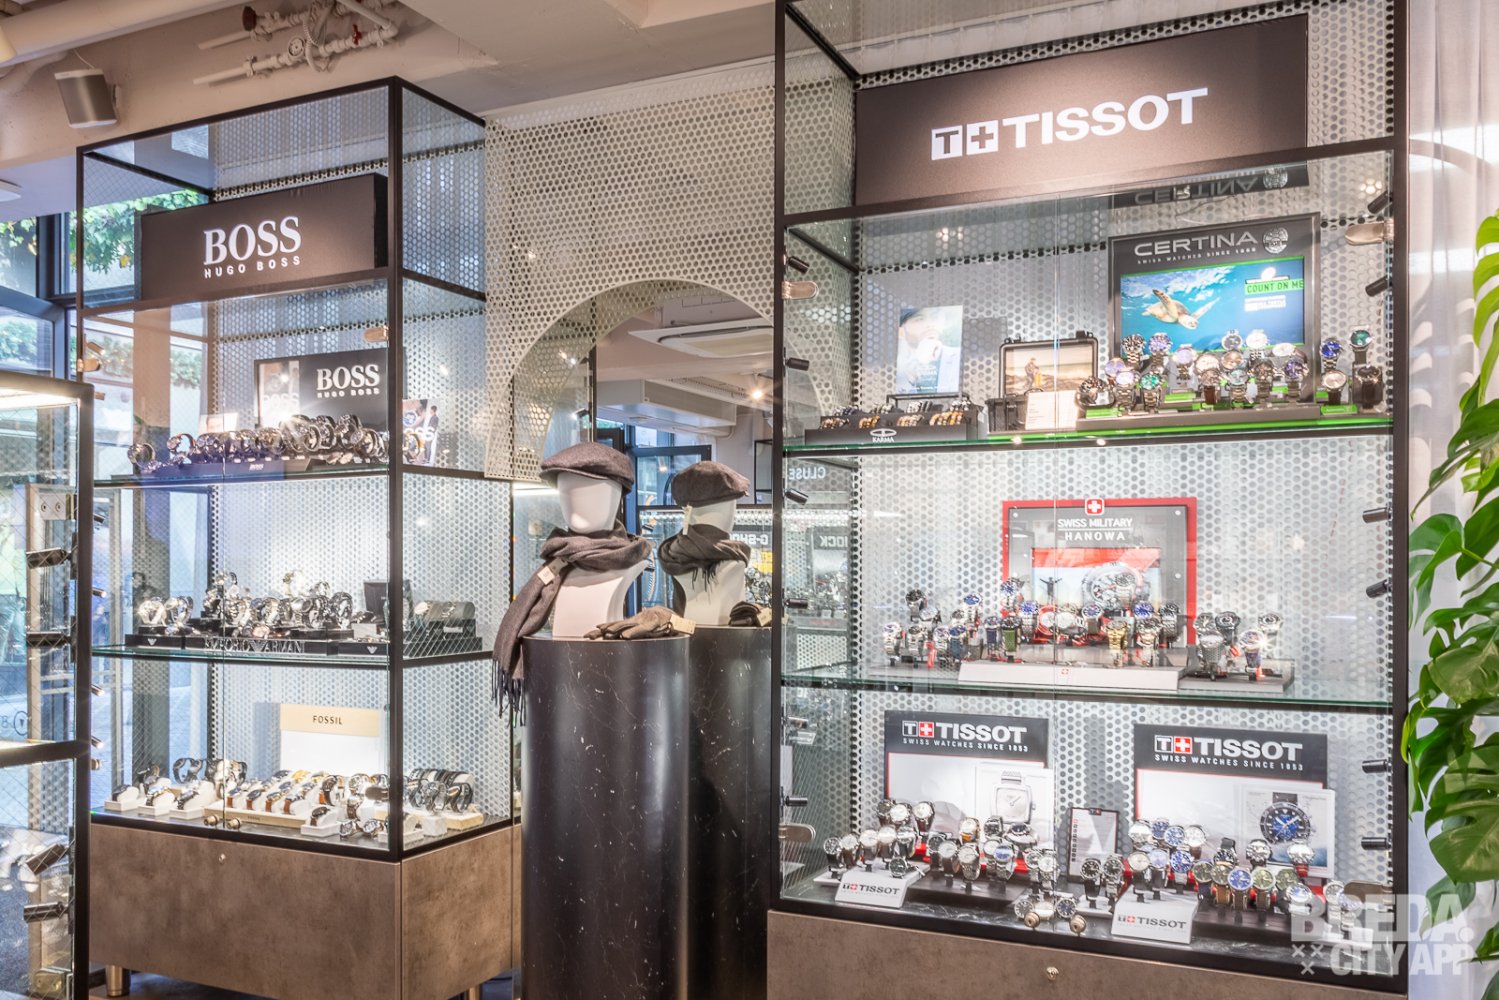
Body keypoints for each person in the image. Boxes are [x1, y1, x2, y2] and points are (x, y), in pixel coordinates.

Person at [895, 307, 962, 393]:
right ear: (901, 331)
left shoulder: (959, 357)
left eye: (934, 317)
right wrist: (918, 364)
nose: (930, 324)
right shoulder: (896, 368)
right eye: (919, 319)